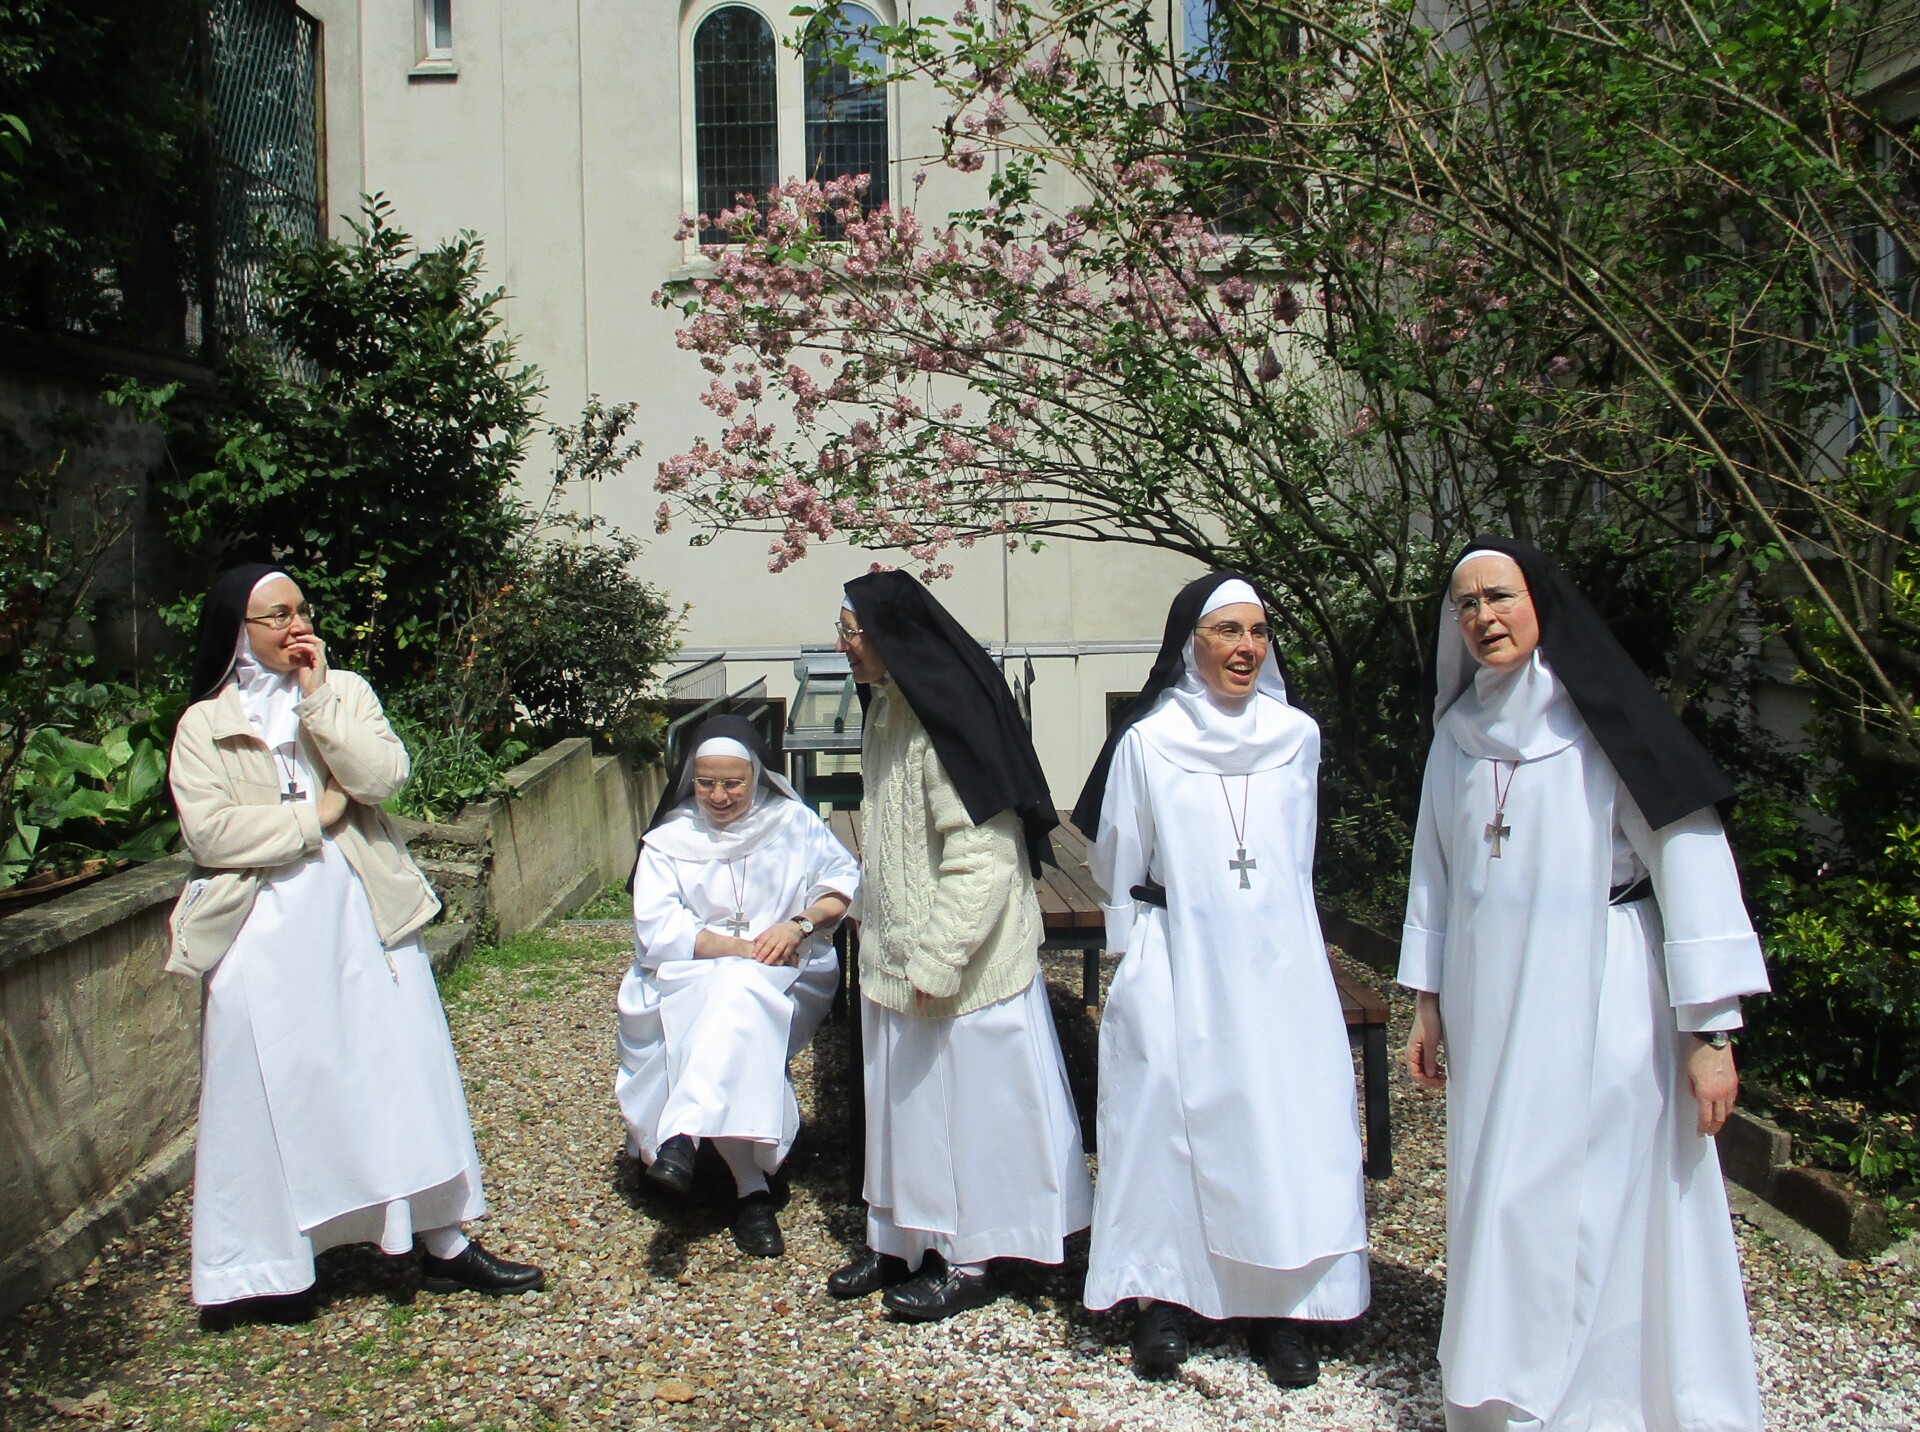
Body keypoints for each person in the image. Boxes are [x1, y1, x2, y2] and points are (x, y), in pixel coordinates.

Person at [1399, 537, 1770, 1432]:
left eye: (1501, 596)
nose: (1484, 616)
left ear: (1541, 605)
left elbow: (1689, 860)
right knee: (1501, 1187)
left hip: (1604, 992)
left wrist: (1711, 1033)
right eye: (1466, 604)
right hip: (1491, 1000)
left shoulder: (1602, 720)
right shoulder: (1456, 735)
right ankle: (1507, 1393)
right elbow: (1434, 873)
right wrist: (1426, 1003)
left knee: (1602, 1196)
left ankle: (1611, 1399)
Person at [167, 565, 542, 1329]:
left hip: (361, 909)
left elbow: (381, 777)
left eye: (302, 609)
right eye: (275, 615)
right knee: (263, 1089)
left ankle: (439, 1241)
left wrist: (318, 699)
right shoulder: (203, 723)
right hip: (258, 924)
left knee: (395, 1070)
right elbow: (209, 833)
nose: (295, 625)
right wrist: (312, 820)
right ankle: (264, 1269)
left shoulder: (348, 692)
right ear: (239, 628)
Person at [1072, 573, 1370, 1387]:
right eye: (1226, 632)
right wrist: (1138, 957)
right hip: (1177, 952)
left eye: (1257, 632)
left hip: (1277, 962)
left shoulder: (1297, 736)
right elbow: (1116, 859)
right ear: (1189, 644)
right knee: (1164, 1118)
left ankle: (1281, 1306)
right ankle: (1167, 1299)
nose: (1244, 648)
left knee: (1281, 1121)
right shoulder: (1148, 741)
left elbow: (1299, 856)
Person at [825, 571, 1093, 1321]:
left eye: (853, 632)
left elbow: (985, 855)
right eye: (843, 631)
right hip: (899, 953)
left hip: (965, 967)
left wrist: (939, 958)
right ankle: (902, 1240)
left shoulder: (946, 720)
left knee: (970, 1119)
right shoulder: (888, 708)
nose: (843, 646)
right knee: (903, 1110)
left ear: (893, 639)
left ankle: (975, 1255)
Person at [616, 715, 858, 1257]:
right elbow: (659, 930)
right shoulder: (668, 839)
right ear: (689, 781)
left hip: (786, 972)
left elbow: (842, 885)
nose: (719, 796)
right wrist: (741, 951)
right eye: (706, 783)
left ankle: (682, 1135)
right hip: (686, 974)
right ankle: (752, 1191)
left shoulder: (793, 824)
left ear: (757, 777)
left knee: (739, 992)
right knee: (734, 992)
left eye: (733, 783)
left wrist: (796, 925)